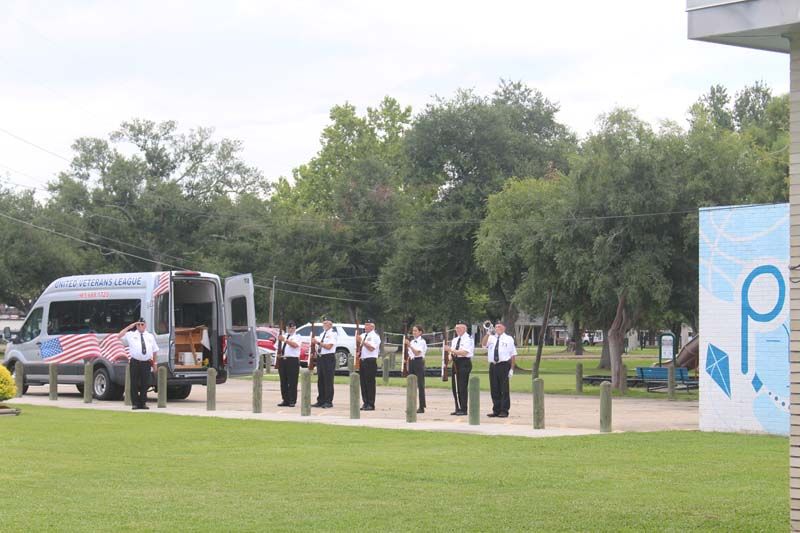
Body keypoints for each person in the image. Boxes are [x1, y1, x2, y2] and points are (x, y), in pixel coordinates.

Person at [118, 318, 158, 410]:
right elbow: (119, 336)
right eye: (139, 324)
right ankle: (135, 403)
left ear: (145, 325)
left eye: (142, 324)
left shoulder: (150, 336)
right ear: (136, 325)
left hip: (146, 362)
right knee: (134, 383)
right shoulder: (131, 335)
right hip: (135, 362)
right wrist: (130, 326)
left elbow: (155, 350)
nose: (141, 326)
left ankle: (143, 403)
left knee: (145, 383)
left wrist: (155, 363)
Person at [481, 321, 517, 418]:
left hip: (504, 365)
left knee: (504, 389)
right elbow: (483, 344)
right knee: (494, 388)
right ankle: (496, 409)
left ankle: (504, 410)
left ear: (504, 328)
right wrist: (488, 333)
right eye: (496, 327)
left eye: (500, 327)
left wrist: (512, 369)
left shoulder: (508, 339)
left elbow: (513, 354)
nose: (498, 328)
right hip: (493, 365)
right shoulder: (491, 338)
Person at [443, 319, 473, 415]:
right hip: (455, 363)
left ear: (464, 328)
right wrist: (447, 361)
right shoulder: (455, 340)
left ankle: (463, 408)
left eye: (459, 328)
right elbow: (452, 354)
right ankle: (457, 407)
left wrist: (451, 350)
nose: (457, 330)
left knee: (462, 386)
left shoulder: (468, 339)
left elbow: (464, 352)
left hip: (464, 362)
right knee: (455, 386)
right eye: (456, 328)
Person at [311, 317, 337, 408]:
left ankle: (328, 401)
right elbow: (320, 347)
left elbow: (329, 346)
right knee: (320, 380)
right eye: (323, 323)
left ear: (330, 325)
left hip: (328, 358)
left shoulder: (333, 334)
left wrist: (318, 342)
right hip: (321, 358)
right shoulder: (322, 334)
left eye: (326, 323)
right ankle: (321, 400)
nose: (324, 325)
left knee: (328, 380)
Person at [357, 318, 381, 411]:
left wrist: (362, 342)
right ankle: (365, 402)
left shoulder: (375, 336)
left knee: (370, 383)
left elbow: (372, 348)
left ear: (372, 326)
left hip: (370, 360)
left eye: (367, 325)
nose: (365, 326)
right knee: (363, 383)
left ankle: (371, 403)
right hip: (362, 360)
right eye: (365, 324)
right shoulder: (363, 335)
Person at [277, 321, 301, 407]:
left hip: (292, 360)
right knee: (283, 381)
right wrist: (278, 353)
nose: (291, 329)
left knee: (292, 381)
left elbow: (295, 345)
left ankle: (292, 400)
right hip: (283, 360)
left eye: (293, 328)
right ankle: (285, 400)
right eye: (289, 328)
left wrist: (285, 340)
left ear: (295, 328)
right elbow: (277, 347)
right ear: (287, 328)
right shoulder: (282, 336)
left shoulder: (297, 337)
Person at [404, 325, 427, 413]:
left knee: (420, 385)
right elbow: (410, 354)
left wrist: (409, 345)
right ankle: (411, 405)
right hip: (412, 362)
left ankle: (421, 406)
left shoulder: (422, 341)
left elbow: (417, 353)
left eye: (416, 331)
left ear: (420, 332)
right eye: (413, 331)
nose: (414, 332)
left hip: (419, 362)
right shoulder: (412, 341)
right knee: (411, 383)